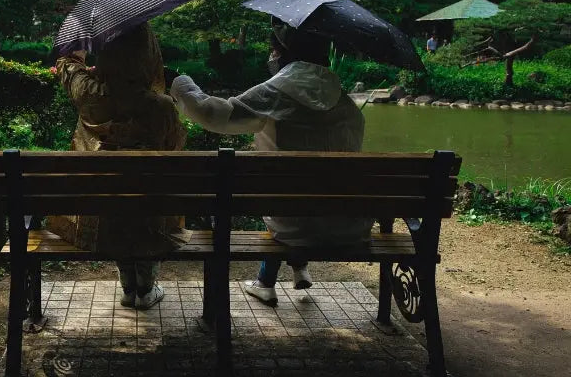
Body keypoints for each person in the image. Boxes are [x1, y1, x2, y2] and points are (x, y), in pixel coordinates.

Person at [169, 19, 369, 306]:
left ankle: (267, 281)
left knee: (288, 206)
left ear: (283, 51)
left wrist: (179, 81)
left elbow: (214, 114)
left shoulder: (276, 93)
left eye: (272, 49)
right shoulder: (347, 105)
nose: (270, 56)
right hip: (347, 225)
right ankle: (290, 270)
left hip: (292, 224)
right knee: (298, 199)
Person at [53, 22, 187, 309]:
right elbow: (175, 151)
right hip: (150, 211)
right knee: (148, 204)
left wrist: (78, 53)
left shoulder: (89, 94)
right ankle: (145, 290)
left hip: (102, 213)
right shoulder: (161, 107)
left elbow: (67, 68)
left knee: (114, 205)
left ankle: (128, 288)